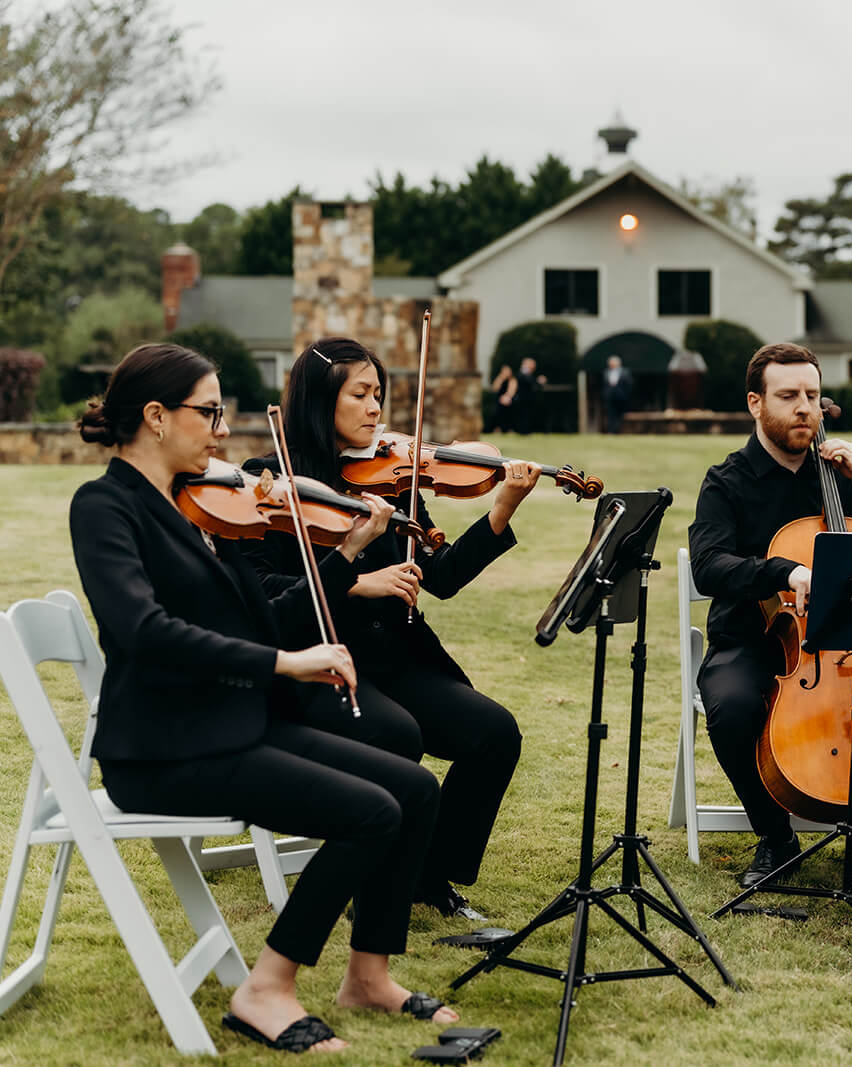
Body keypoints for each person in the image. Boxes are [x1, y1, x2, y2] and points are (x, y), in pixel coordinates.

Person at [69, 343, 457, 1053]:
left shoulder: (204, 508)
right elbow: (146, 630)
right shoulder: (105, 506)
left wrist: (343, 556)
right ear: (155, 416)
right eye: (210, 411)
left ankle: (369, 973)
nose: (223, 430)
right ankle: (266, 988)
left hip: (233, 723)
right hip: (164, 744)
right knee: (369, 812)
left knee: (416, 788)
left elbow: (268, 618)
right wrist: (285, 662)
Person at [240, 336, 532, 922]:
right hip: (318, 661)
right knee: (398, 735)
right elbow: (266, 596)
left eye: (380, 394)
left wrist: (500, 510)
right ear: (322, 402)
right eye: (361, 394)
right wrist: (353, 579)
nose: (377, 408)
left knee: (495, 734)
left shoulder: (390, 476)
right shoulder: (271, 481)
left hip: (395, 658)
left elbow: (441, 576)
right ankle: (372, 873)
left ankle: (429, 875)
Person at [687, 342, 852, 888]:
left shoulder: (839, 475)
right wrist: (784, 571)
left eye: (811, 394)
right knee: (732, 709)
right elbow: (710, 566)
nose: (804, 407)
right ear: (756, 404)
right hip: (752, 642)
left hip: (849, 645)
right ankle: (775, 838)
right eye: (788, 396)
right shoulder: (727, 481)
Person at [513, 356, 546, 434]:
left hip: (528, 399)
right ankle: (523, 431)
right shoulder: (524, 372)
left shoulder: (528, 373)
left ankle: (526, 430)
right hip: (523, 398)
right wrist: (538, 382)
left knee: (527, 416)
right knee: (523, 416)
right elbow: (530, 383)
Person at [602, 354, 632, 434]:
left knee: (620, 415)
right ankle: (611, 431)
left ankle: (618, 430)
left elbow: (629, 385)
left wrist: (626, 395)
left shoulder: (625, 372)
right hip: (610, 397)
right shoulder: (606, 372)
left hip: (621, 397)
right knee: (610, 414)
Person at [486, 363, 518, 434]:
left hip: (508, 399)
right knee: (497, 412)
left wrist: (506, 397)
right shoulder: (500, 378)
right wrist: (501, 378)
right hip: (499, 400)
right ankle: (497, 428)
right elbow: (494, 388)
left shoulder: (512, 380)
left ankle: (508, 429)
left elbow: (511, 391)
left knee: (508, 413)